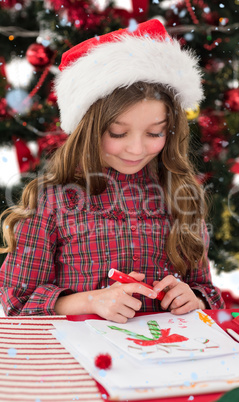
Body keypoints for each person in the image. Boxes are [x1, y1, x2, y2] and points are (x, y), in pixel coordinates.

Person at [0, 19, 224, 321]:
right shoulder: (52, 200)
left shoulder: (180, 194)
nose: (136, 149)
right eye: (118, 134)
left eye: (155, 133)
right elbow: (18, 300)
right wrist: (89, 301)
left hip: (167, 358)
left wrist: (194, 298)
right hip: (82, 359)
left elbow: (205, 289)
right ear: (89, 129)